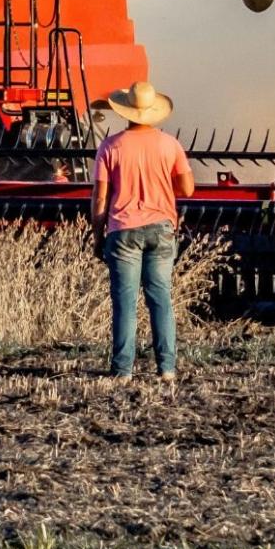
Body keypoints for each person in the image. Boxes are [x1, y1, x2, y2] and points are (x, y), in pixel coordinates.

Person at [91, 80, 195, 380]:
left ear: (125, 111)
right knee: (160, 298)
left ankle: (123, 370)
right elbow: (187, 188)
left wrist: (98, 236)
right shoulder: (169, 144)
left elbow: (100, 197)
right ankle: (167, 369)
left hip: (122, 231)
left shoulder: (110, 147)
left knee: (125, 302)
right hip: (161, 229)